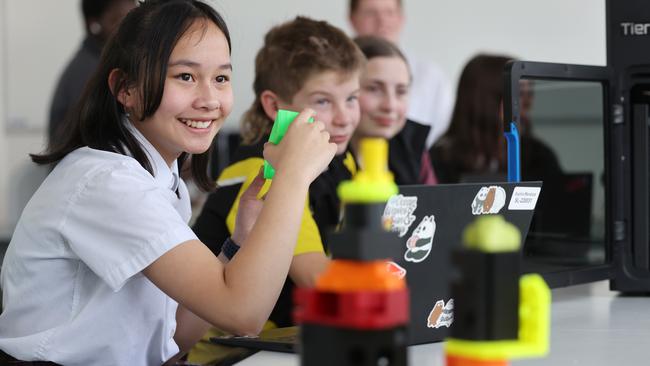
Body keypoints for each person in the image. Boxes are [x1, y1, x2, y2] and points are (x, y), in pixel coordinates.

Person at [0, 1, 336, 365]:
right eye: (185, 77)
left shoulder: (158, 176)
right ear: (125, 88)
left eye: (221, 78)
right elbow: (244, 314)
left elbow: (171, 336)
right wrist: (293, 176)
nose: (209, 100)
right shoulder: (108, 182)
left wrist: (240, 243)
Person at [191, 16, 363, 332]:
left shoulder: (343, 161)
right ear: (274, 106)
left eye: (351, 98)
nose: (344, 118)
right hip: (229, 353)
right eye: (323, 101)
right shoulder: (258, 174)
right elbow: (318, 280)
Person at [429, 54, 563, 184]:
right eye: (519, 94)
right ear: (485, 101)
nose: (528, 104)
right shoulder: (440, 162)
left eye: (530, 93)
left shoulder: (538, 157)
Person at [348, 0, 454, 147]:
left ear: (401, 18)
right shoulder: (337, 73)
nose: (382, 21)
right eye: (371, 13)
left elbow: (442, 134)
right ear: (352, 18)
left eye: (389, 12)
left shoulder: (432, 76)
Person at [48, 0, 136, 144]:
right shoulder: (89, 72)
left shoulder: (105, 62)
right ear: (94, 25)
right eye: (122, 20)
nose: (135, 29)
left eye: (135, 19)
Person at [352, 35, 435, 185]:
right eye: (374, 89)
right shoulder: (322, 155)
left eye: (401, 91)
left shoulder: (412, 145)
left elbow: (436, 205)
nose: (390, 105)